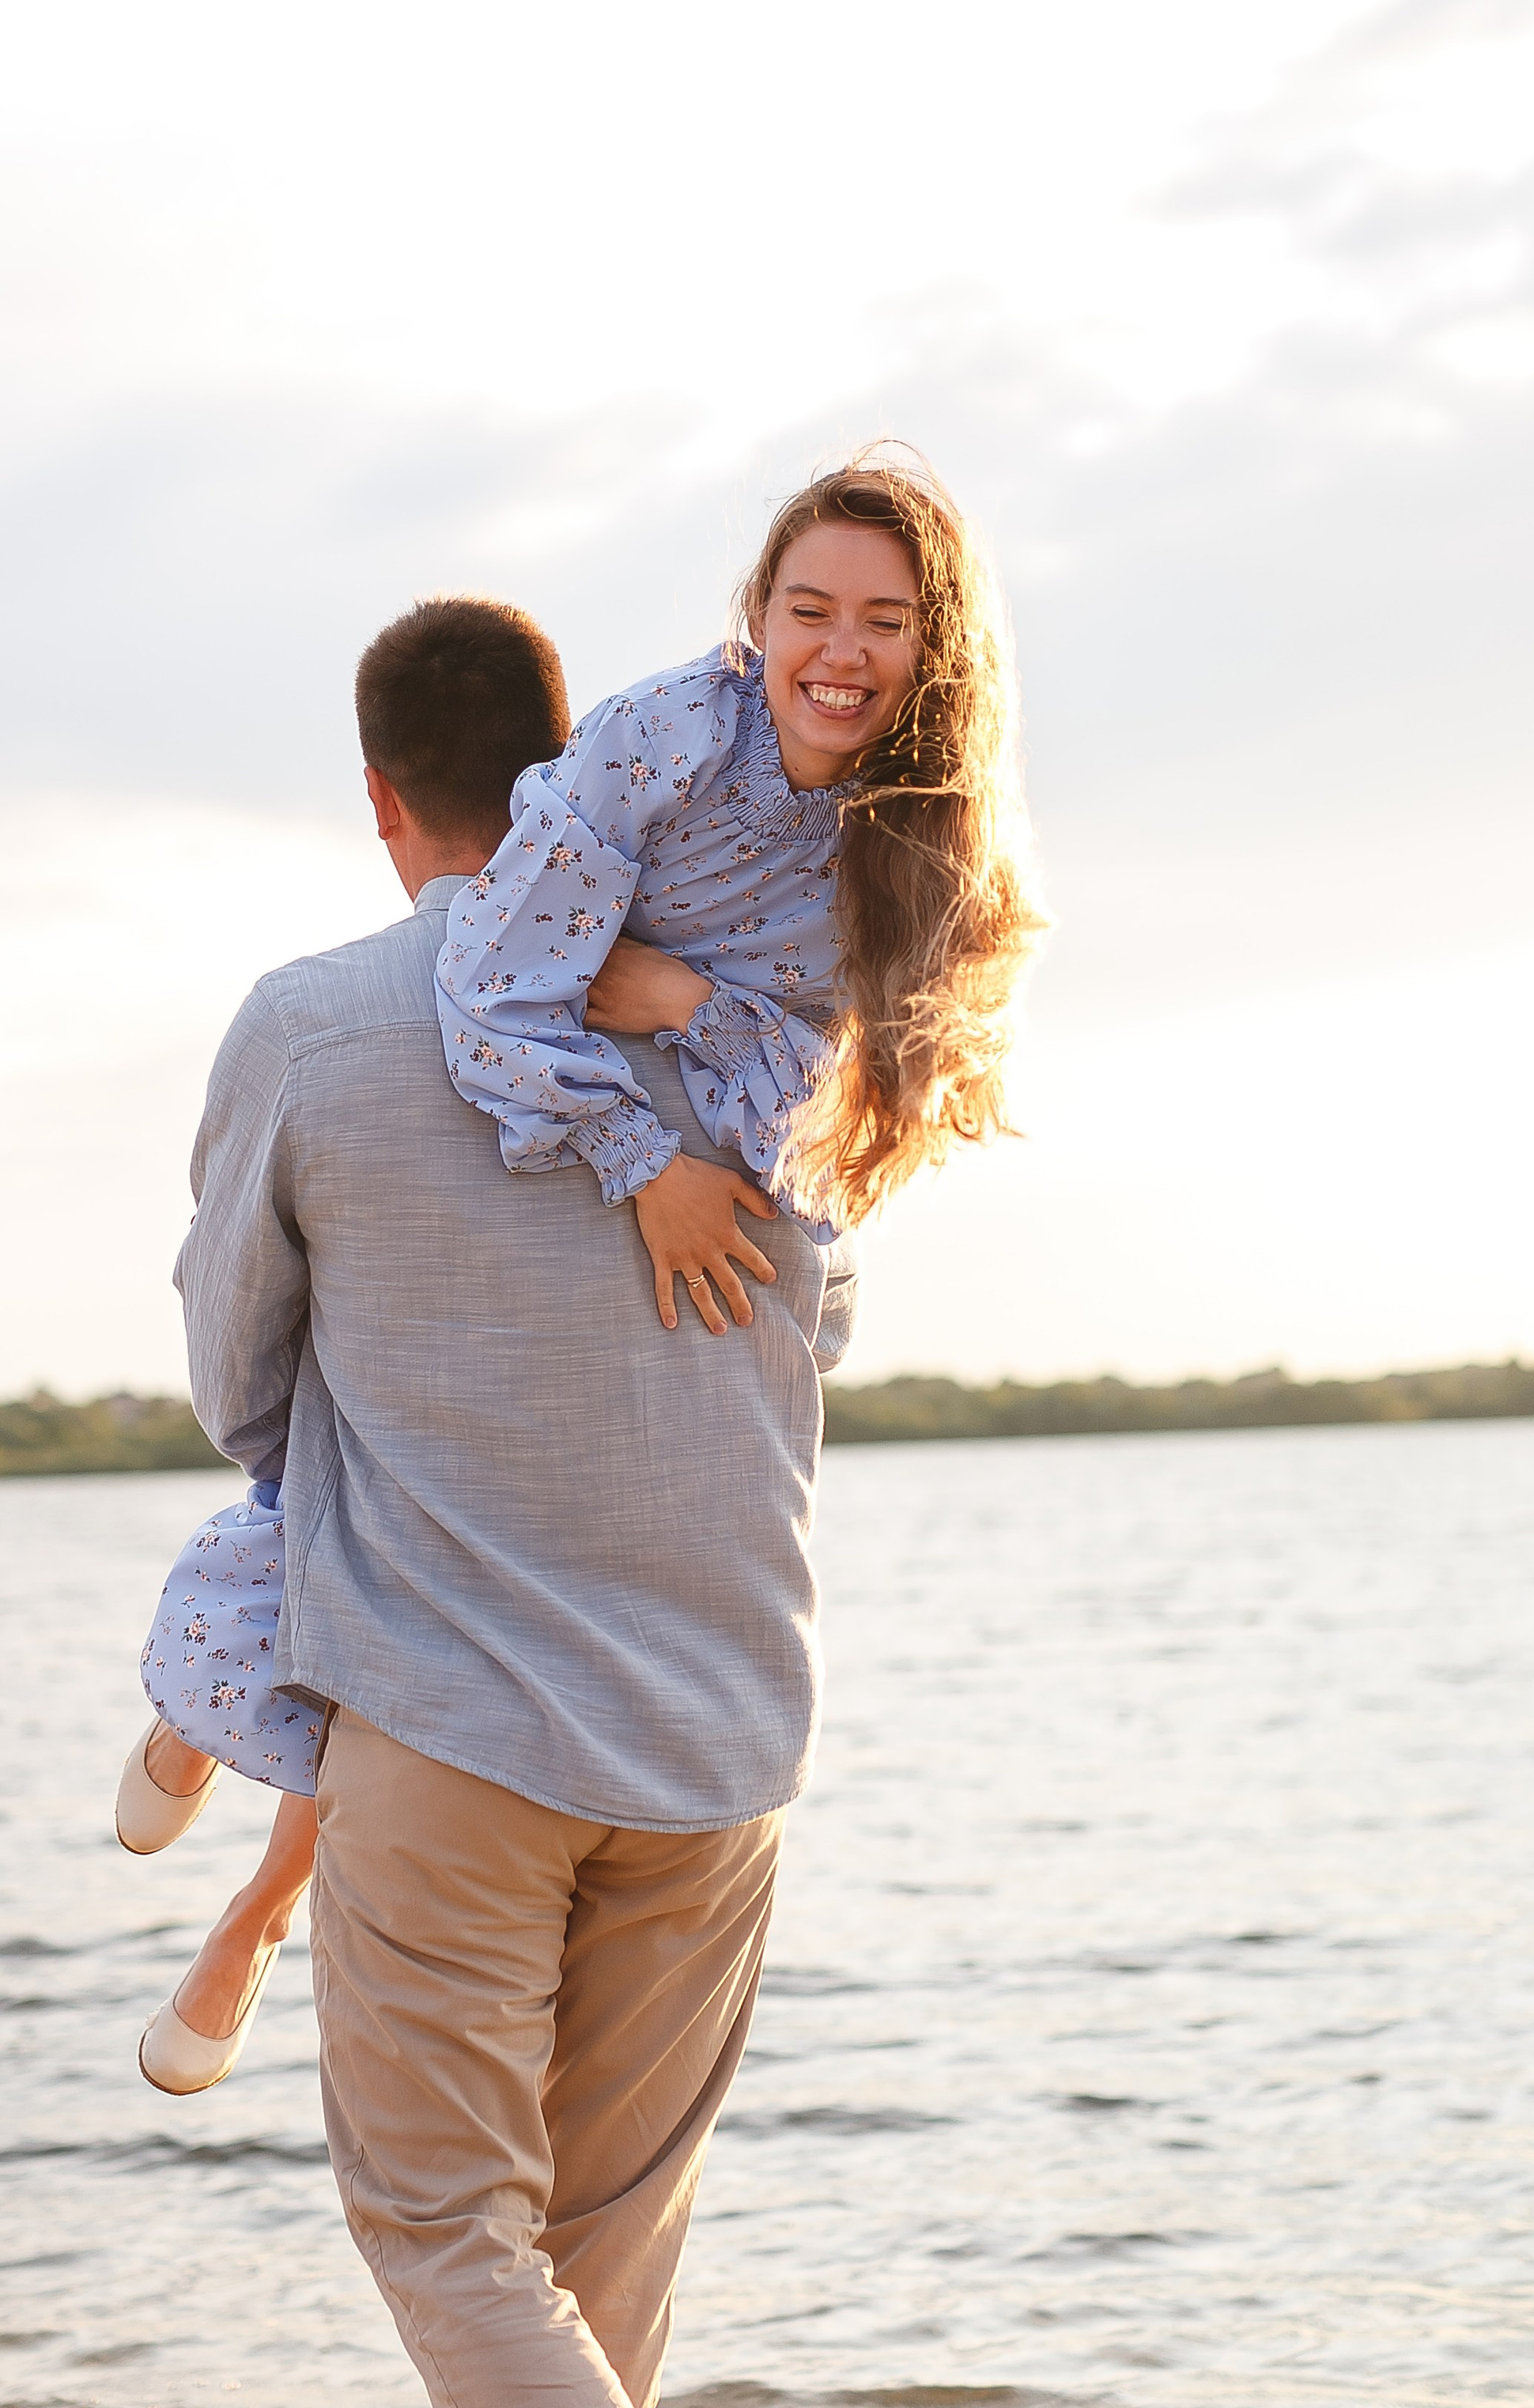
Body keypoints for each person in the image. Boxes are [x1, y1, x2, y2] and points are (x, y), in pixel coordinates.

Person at [117, 451, 1042, 2114]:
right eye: (808, 611)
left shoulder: (322, 1025)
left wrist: (677, 1008)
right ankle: (230, 1871)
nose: (838, 648)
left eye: (880, 621)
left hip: (457, 1696)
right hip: (711, 1715)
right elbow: (807, 1312)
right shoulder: (670, 815)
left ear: (381, 797)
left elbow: (235, 1373)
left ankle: (229, 1860)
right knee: (602, 2223)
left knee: (441, 2215)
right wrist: (668, 1152)